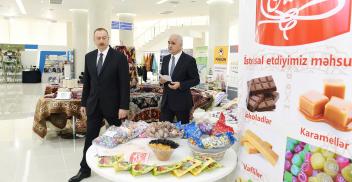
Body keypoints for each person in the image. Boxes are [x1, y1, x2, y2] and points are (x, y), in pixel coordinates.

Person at [69, 28, 130, 182]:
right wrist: (84, 102)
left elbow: (124, 84)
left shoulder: (119, 57)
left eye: (104, 37)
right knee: (90, 137)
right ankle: (84, 169)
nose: (101, 40)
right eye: (98, 38)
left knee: (120, 137)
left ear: (108, 38)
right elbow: (87, 83)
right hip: (94, 105)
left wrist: (124, 106)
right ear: (94, 39)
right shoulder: (89, 57)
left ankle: (125, 166)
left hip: (114, 107)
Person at [159, 34, 200, 124]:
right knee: (163, 129)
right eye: (169, 43)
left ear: (180, 45)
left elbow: (196, 79)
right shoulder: (165, 59)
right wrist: (161, 80)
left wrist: (180, 85)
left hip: (182, 103)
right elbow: (162, 75)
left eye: (173, 43)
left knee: (183, 132)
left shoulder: (189, 60)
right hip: (166, 102)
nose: (170, 45)